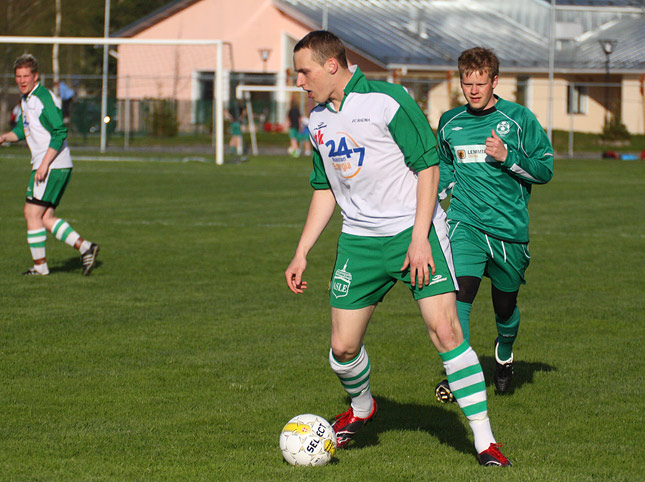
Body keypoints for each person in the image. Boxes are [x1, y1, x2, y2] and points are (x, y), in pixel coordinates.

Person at [284, 31, 511, 467]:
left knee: (446, 332)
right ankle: (363, 408)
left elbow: (428, 166)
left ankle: (485, 442)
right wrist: (302, 251)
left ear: (332, 65)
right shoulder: (316, 120)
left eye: (304, 71)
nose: (299, 80)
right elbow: (324, 188)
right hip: (359, 241)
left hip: (414, 233)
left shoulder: (388, 99)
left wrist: (420, 237)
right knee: (343, 348)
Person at [434, 47, 553, 402]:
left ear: (495, 81)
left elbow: (545, 169)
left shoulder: (518, 119)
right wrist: (433, 195)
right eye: (466, 83)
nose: (472, 90)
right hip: (465, 222)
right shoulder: (449, 122)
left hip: (508, 231)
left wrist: (507, 157)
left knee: (505, 307)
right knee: (459, 297)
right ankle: (461, 376)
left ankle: (504, 352)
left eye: (480, 83)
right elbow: (446, 168)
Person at [0, 54, 99, 276]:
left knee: (31, 213)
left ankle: (40, 267)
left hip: (51, 165)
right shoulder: (27, 99)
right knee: (45, 218)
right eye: (18, 76)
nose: (22, 80)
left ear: (36, 77)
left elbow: (59, 131)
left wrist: (44, 164)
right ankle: (86, 247)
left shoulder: (42, 97)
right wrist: (5, 137)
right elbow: (22, 131)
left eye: (26, 76)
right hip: (57, 165)